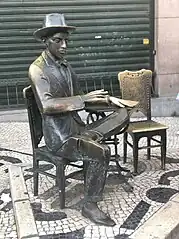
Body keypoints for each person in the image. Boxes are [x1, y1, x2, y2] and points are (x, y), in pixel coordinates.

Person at [29, 13, 137, 226]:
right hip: (59, 137)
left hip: (77, 128)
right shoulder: (37, 69)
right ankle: (89, 205)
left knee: (123, 113)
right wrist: (83, 98)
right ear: (46, 41)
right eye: (58, 40)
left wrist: (109, 100)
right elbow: (47, 106)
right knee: (101, 151)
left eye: (66, 40)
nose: (64, 45)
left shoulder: (66, 67)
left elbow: (83, 102)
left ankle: (92, 137)